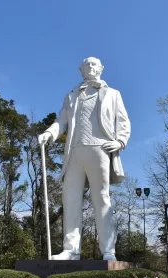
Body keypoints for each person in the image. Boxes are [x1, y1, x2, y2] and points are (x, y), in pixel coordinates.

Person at [38, 57, 131, 261]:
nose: (90, 67)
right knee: (70, 199)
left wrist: (120, 141)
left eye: (94, 64)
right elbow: (61, 120)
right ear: (81, 70)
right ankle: (71, 250)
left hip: (100, 148)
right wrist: (49, 133)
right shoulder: (71, 96)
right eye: (86, 64)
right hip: (74, 151)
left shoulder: (113, 94)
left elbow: (123, 121)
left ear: (101, 68)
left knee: (101, 199)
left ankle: (108, 250)